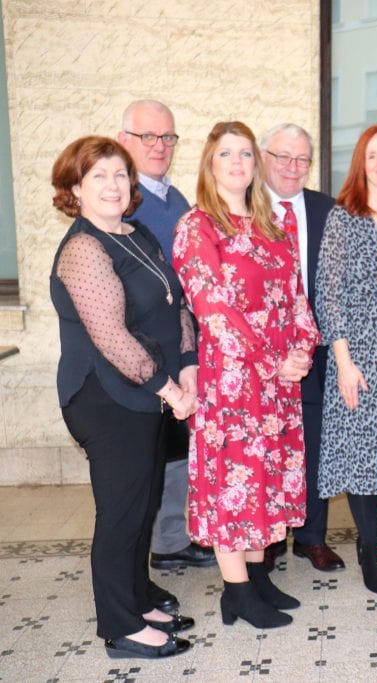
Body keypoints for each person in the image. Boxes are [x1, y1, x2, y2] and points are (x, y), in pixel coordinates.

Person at [50, 136, 196, 659]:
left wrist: (190, 369)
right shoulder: (84, 249)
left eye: (119, 174)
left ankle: (138, 596)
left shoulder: (137, 234)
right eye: (98, 177)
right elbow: (111, 336)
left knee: (143, 501)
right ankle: (120, 626)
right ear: (75, 189)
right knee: (120, 512)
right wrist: (169, 388)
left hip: (150, 392)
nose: (113, 186)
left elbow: (175, 306)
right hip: (107, 397)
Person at [173, 121, 320, 629]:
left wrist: (301, 349)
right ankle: (236, 591)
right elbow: (212, 308)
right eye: (226, 154)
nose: (237, 163)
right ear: (210, 164)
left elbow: (296, 295)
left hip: (279, 382)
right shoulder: (198, 226)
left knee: (267, 479)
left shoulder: (271, 225)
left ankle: (257, 581)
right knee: (234, 483)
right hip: (233, 380)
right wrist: (269, 360)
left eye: (245, 155)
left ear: (256, 165)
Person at [117, 100, 216, 580]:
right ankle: (149, 551)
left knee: (177, 447)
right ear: (124, 142)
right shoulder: (123, 201)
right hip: (140, 351)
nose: (159, 147)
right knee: (148, 457)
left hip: (178, 341)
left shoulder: (174, 197)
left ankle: (172, 541)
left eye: (167, 137)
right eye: (147, 137)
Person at [316, 124, 377, 594]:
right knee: (363, 455)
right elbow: (327, 294)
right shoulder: (344, 216)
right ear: (361, 164)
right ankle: (371, 549)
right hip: (359, 354)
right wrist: (344, 361)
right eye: (374, 155)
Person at [259, 123, 345, 573]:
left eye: (302, 160)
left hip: (315, 354)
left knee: (313, 444)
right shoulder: (246, 208)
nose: (293, 168)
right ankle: (269, 536)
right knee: (268, 447)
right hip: (261, 355)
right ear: (263, 158)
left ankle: (311, 536)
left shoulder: (326, 210)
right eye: (283, 157)